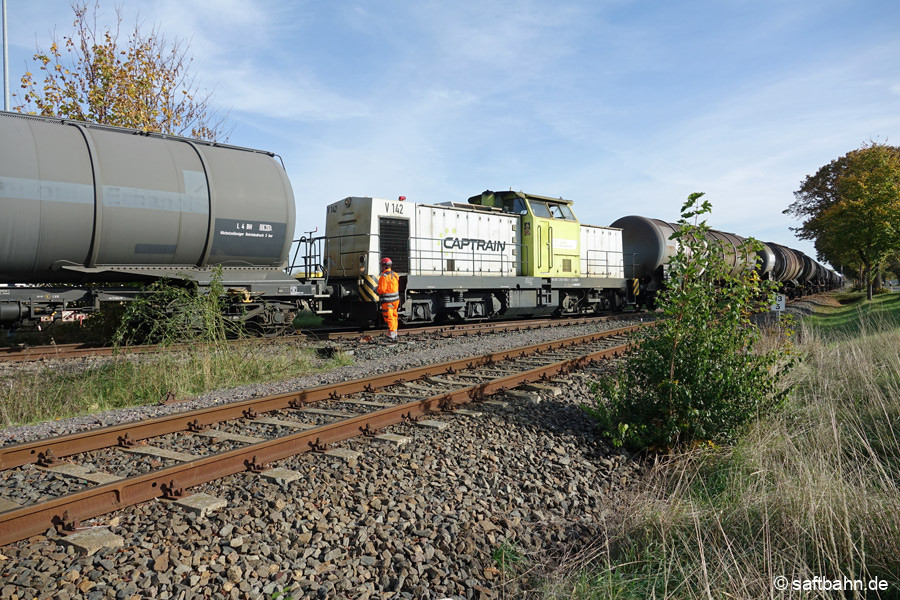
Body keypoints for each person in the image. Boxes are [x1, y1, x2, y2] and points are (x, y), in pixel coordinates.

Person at [376, 257, 400, 341]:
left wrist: (376, 289)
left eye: (382, 266)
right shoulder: (395, 275)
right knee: (394, 316)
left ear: (384, 266)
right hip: (396, 301)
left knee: (389, 317)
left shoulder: (384, 277)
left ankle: (392, 334)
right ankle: (394, 333)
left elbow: (381, 290)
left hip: (388, 301)